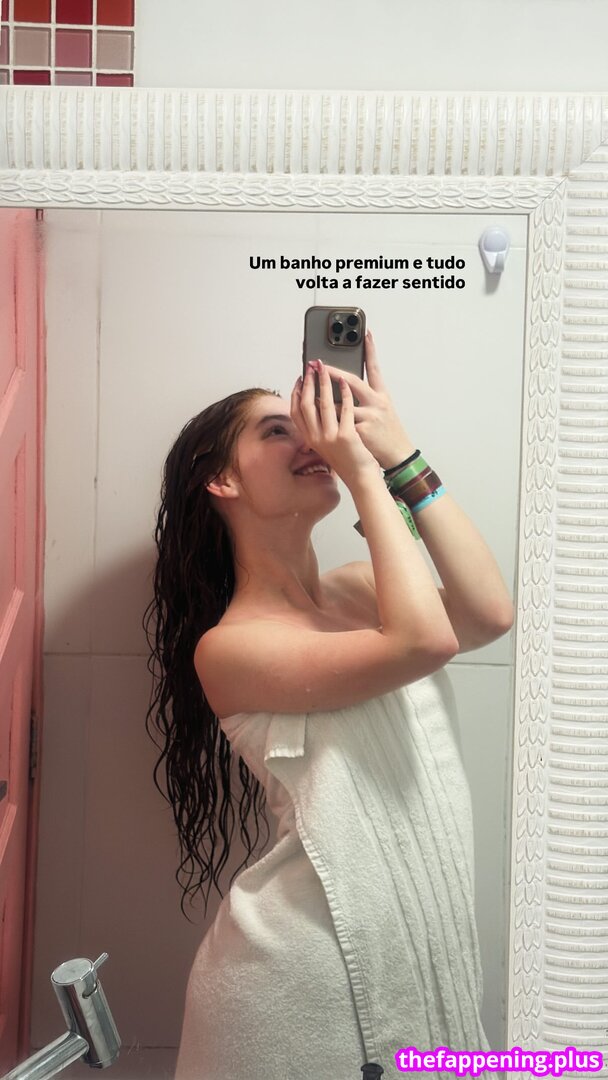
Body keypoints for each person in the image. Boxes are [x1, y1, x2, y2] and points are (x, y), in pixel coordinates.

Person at [143, 331, 514, 1079]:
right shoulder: (231, 648)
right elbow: (423, 643)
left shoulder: (362, 588)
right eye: (278, 431)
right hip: (294, 990)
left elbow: (487, 614)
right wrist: (359, 468)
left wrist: (397, 451)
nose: (312, 438)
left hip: (415, 961)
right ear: (222, 480)